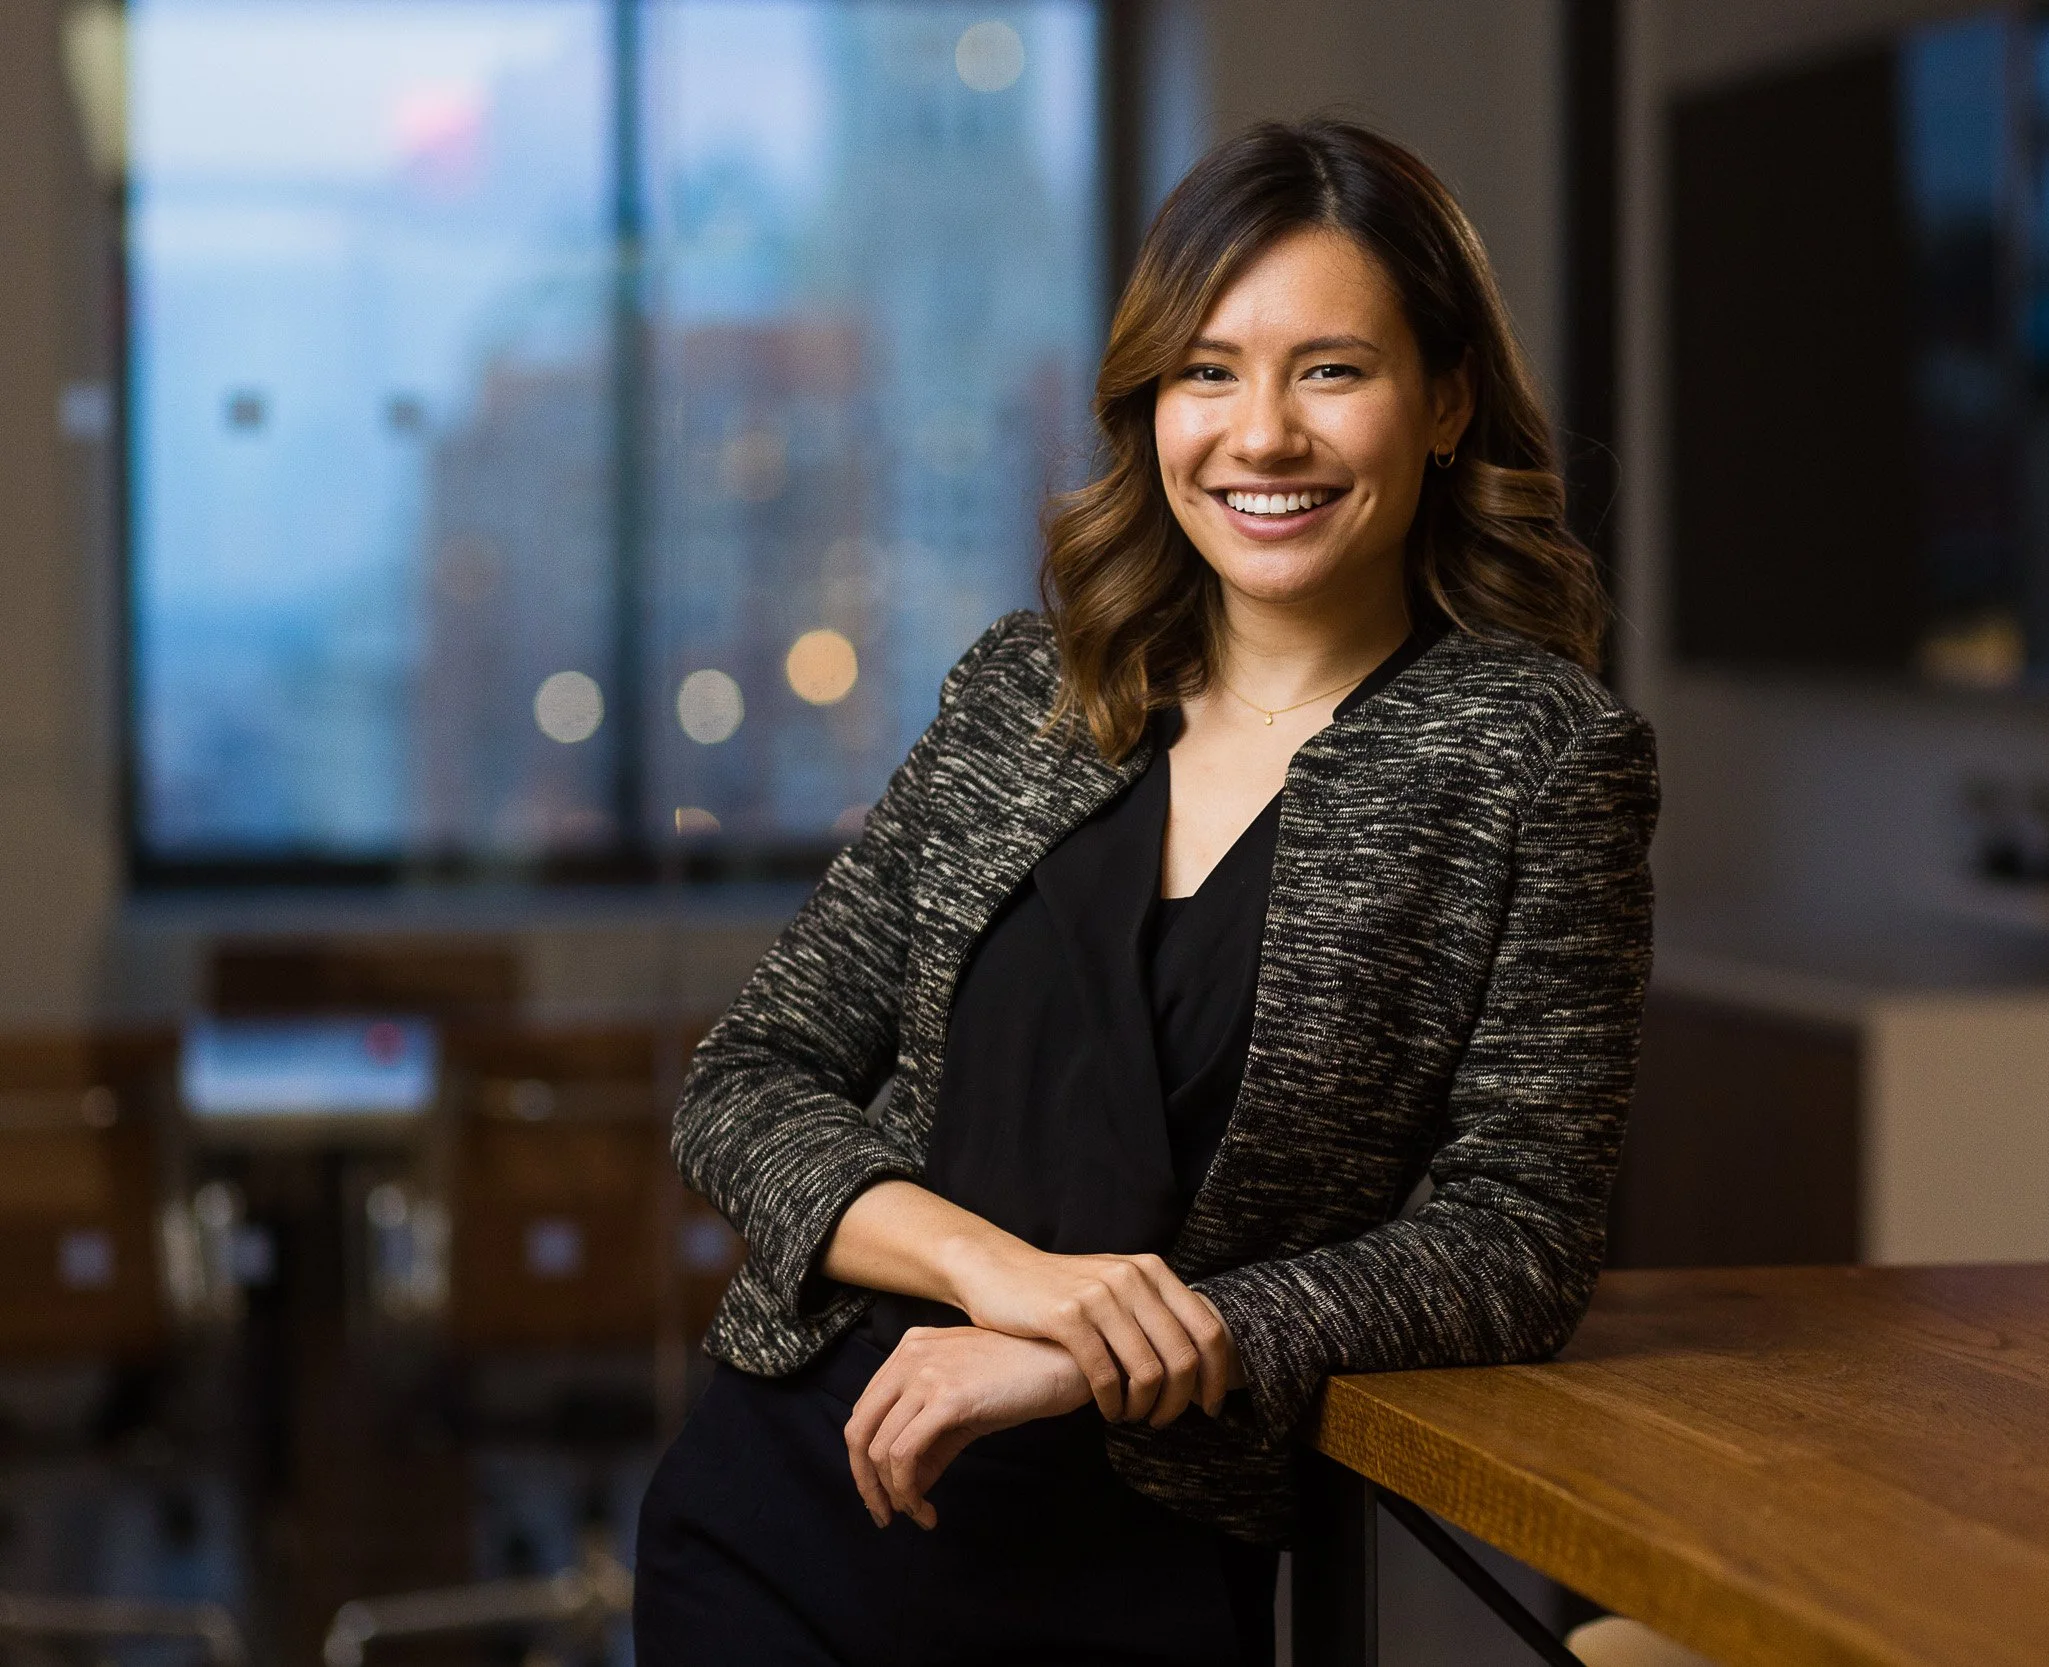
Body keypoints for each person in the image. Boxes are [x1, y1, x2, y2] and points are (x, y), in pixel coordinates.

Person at [633, 118, 1658, 1666]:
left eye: (1331, 369)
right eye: (1207, 371)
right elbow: (744, 1082)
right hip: (788, 1500)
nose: (1260, 435)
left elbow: (1517, 1238)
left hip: (1137, 1565)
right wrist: (1007, 1277)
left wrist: (1108, 1351)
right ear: (1150, 406)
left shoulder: (1536, 759)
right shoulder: (1021, 695)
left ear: (1446, 399)